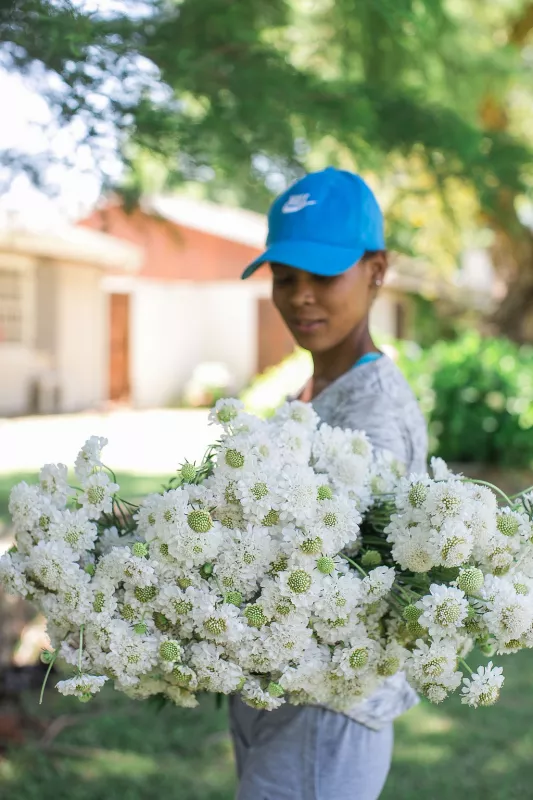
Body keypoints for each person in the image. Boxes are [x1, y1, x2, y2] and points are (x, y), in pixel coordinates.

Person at [230, 167, 428, 800]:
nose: (301, 297)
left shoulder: (373, 412)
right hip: (285, 689)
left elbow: (345, 581)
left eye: (323, 275)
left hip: (329, 705)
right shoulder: (314, 392)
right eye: (284, 279)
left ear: (377, 270)